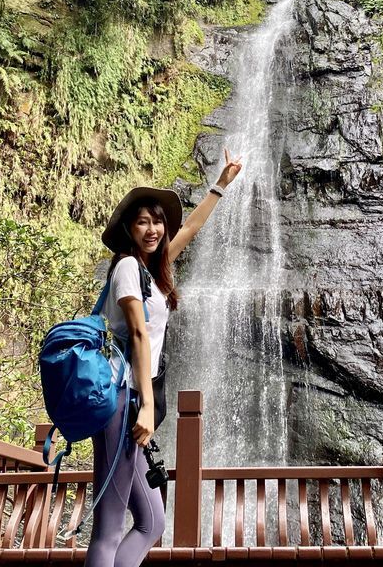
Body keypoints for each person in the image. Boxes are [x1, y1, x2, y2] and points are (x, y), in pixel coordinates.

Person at [84, 148, 243, 567]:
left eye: (157, 221)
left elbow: (190, 226)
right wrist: (148, 405)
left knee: (151, 523)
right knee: (109, 526)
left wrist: (221, 184)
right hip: (124, 400)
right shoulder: (124, 269)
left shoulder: (153, 273)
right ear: (129, 229)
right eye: (143, 222)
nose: (152, 229)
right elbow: (136, 331)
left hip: (133, 403)